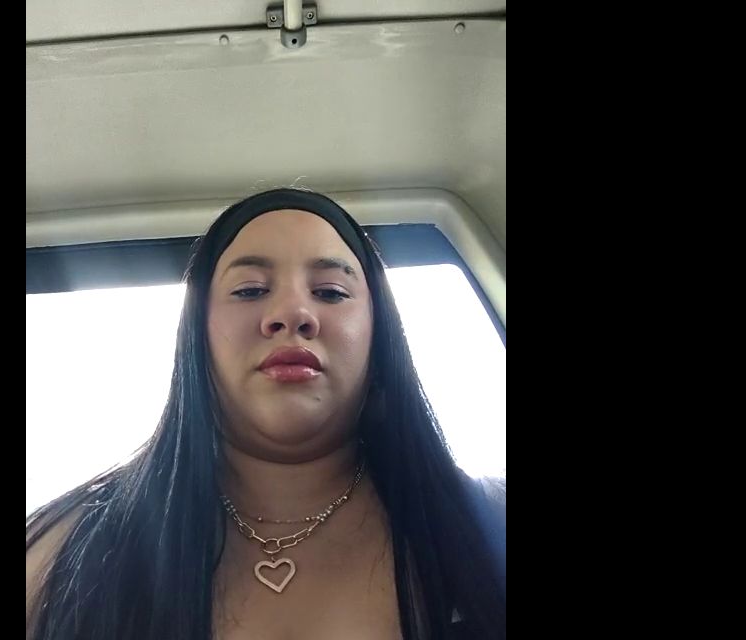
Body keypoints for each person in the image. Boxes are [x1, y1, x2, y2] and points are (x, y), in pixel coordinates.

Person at [26, 188, 506, 640]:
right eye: (250, 290)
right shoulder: (64, 551)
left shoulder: (490, 524)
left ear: (380, 338)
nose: (292, 313)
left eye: (331, 292)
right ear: (196, 339)